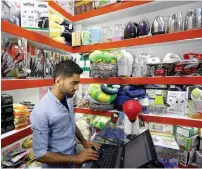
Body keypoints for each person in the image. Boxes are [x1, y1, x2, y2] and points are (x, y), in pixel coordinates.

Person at [31, 60, 100, 168]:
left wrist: (84, 141)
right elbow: (40, 155)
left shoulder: (67, 99)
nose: (77, 87)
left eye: (78, 82)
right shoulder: (41, 111)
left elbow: (70, 123)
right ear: (58, 81)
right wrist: (76, 158)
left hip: (70, 161)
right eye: (74, 82)